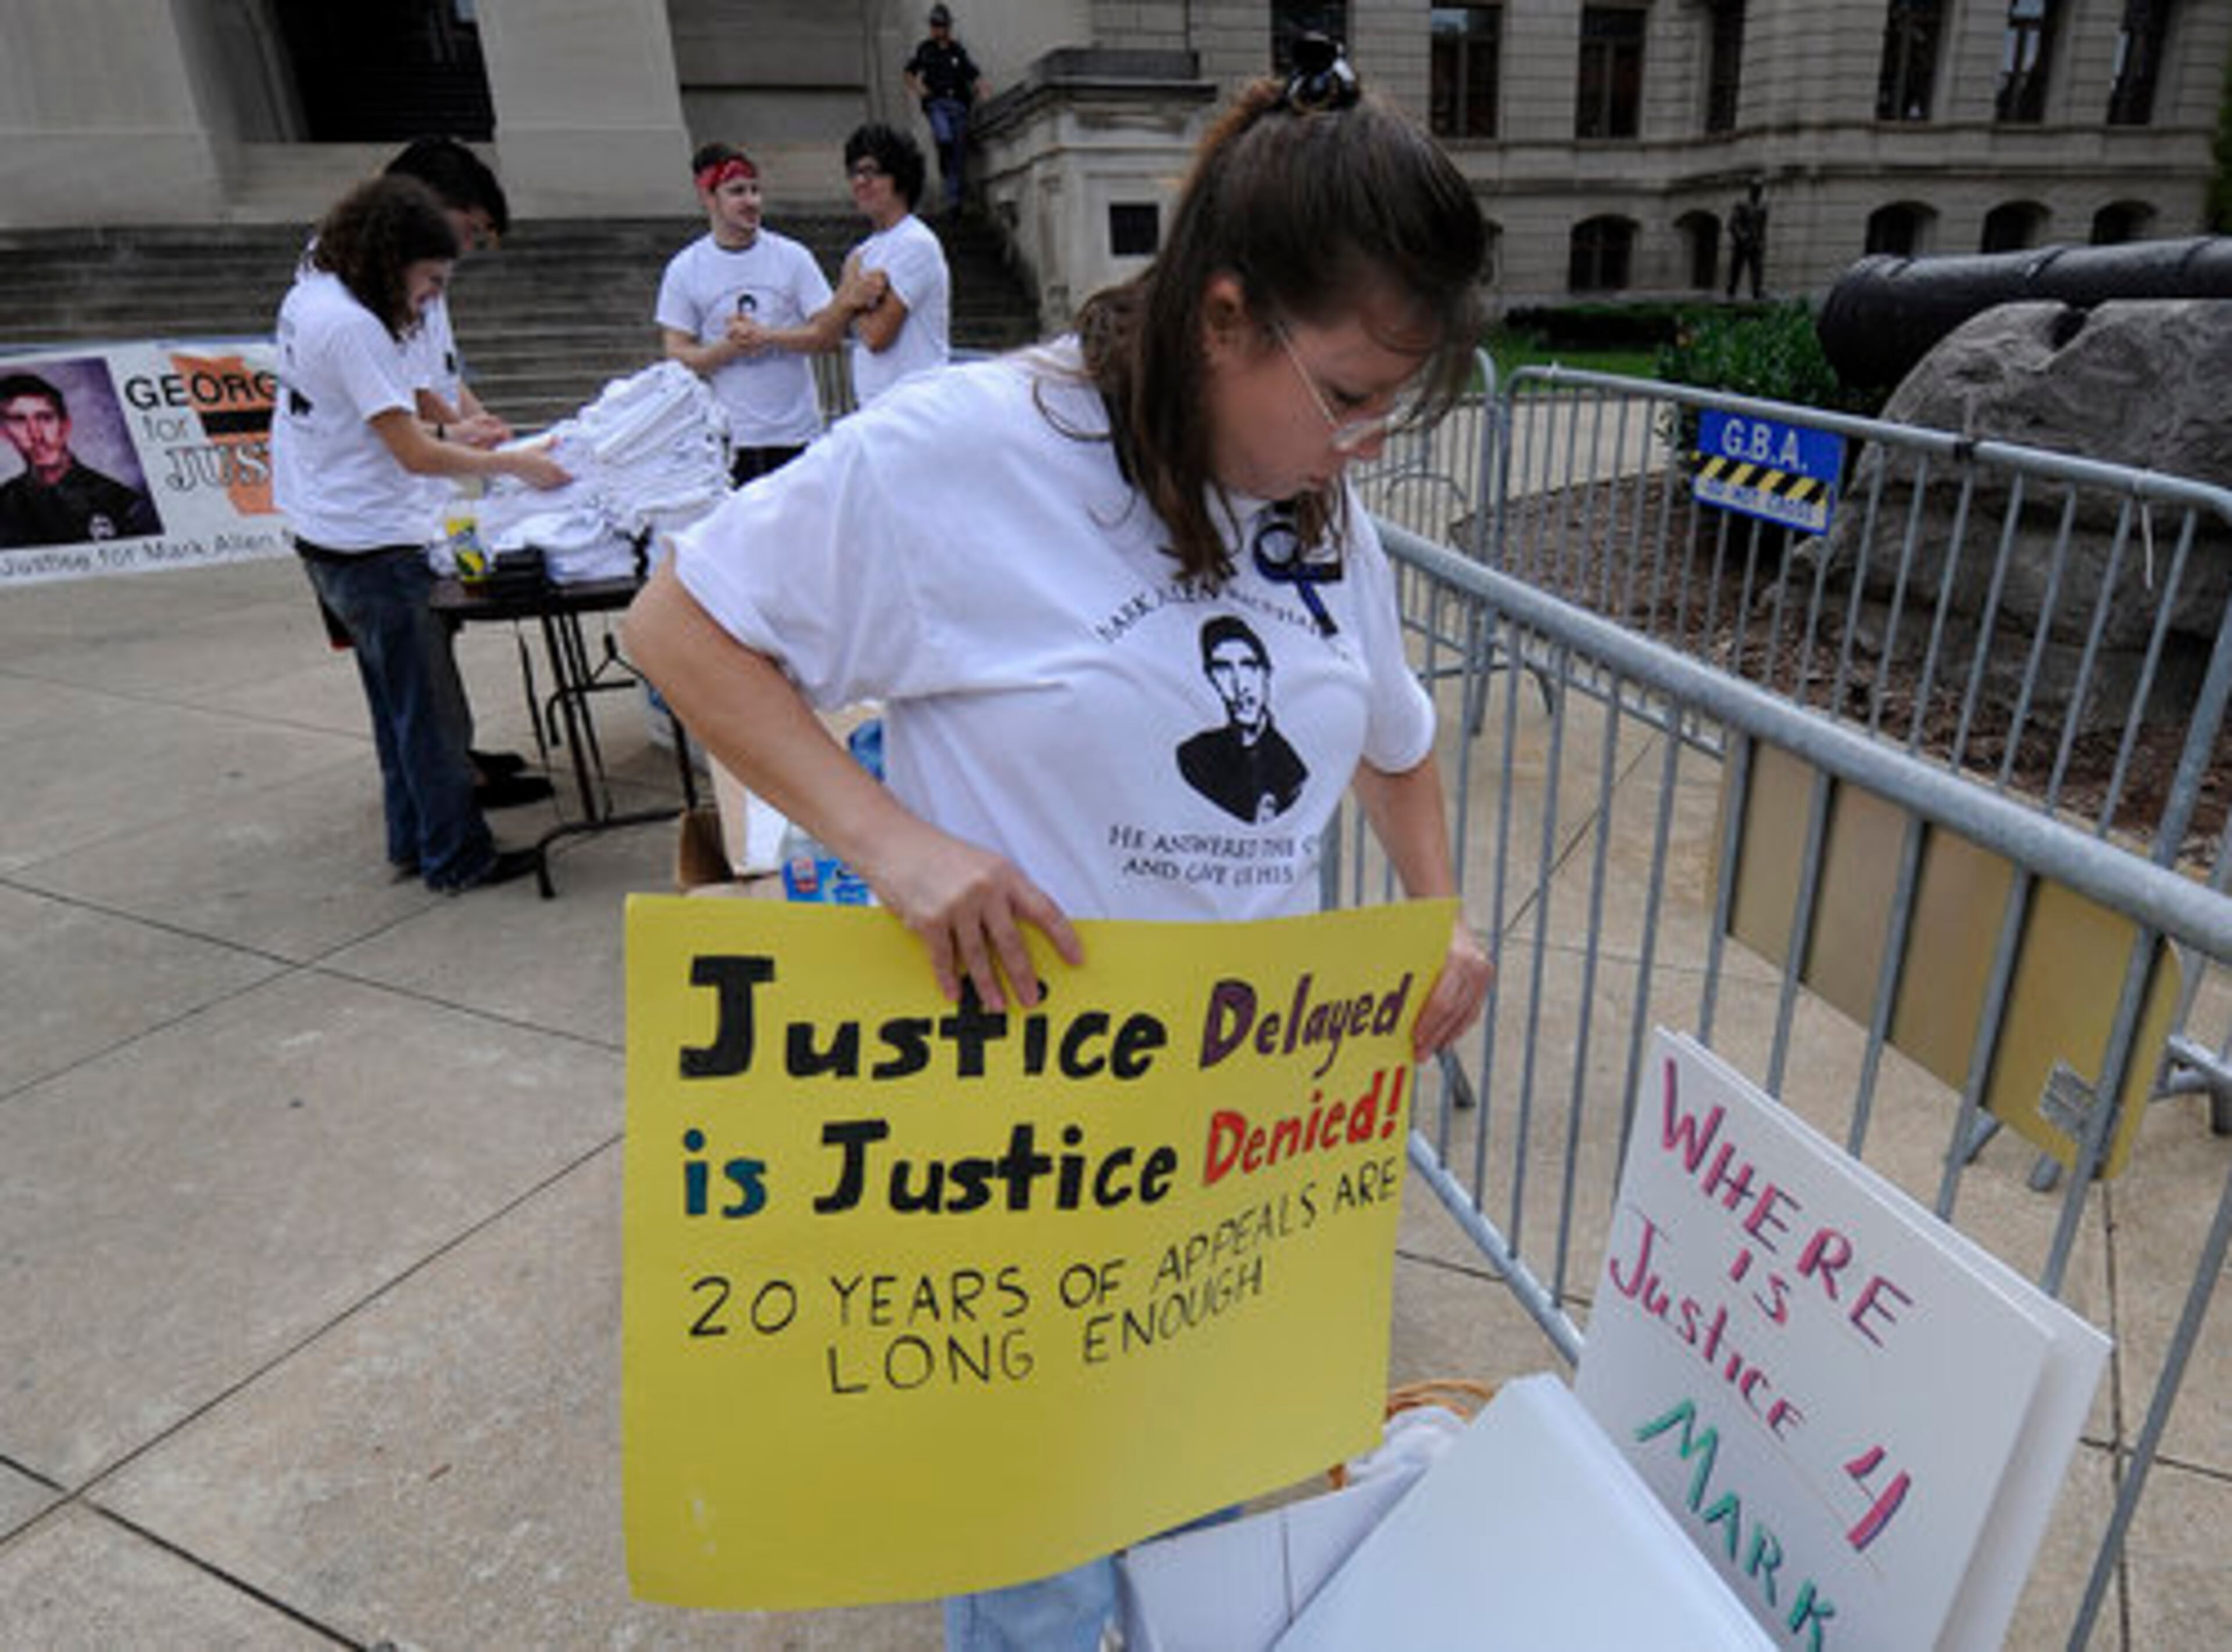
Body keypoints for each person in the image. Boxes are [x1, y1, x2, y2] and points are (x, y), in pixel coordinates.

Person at [623, 35, 1491, 1649]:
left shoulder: (1316, 508)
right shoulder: (959, 455)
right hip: (1026, 1152)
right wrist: (891, 840)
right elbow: (680, 626)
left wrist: (1437, 915)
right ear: (1224, 315)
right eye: (1355, 397)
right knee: (1034, 1585)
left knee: (1207, 1539)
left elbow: (1396, 738)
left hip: (1238, 1148)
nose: (1370, 447)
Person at [272, 174, 572, 893]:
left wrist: (454, 425)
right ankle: (456, 858)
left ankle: (414, 839)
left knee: (396, 707)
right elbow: (414, 452)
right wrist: (512, 464)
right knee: (430, 715)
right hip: (374, 544)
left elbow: (390, 409)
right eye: (431, 280)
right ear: (392, 258)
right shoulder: (351, 323)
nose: (433, 296)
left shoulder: (317, 289)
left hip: (333, 533)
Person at [657, 143, 848, 486]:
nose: (751, 201)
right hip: (731, 439)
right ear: (709, 197)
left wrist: (768, 336)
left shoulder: (793, 257)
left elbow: (829, 334)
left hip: (797, 435)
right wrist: (726, 349)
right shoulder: (686, 269)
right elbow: (676, 354)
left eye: (755, 190)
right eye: (737, 192)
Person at [839, 123, 951, 406]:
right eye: (855, 173)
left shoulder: (916, 243)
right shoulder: (863, 252)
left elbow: (877, 336)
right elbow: (835, 324)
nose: (860, 182)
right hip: (876, 407)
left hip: (913, 408)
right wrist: (856, 294)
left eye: (871, 172)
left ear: (900, 177)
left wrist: (851, 292)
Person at [0, 371, 160, 547]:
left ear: (65, 426)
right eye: (19, 420)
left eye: (45, 418)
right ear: (4, 433)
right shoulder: (4, 504)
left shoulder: (123, 503)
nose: (36, 434)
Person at [1178, 612, 1310, 822]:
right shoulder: (1193, 756)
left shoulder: (1294, 770)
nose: (1240, 685)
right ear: (1212, 679)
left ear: (1266, 672)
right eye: (1224, 669)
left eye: (1249, 666)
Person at [904, 3, 988, 215]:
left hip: (959, 106)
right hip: (937, 103)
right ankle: (944, 164)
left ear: (948, 27)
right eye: (935, 25)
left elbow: (973, 73)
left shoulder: (957, 51)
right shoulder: (926, 49)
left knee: (958, 156)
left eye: (941, 25)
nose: (938, 29)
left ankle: (954, 201)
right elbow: (909, 72)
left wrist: (983, 90)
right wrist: (920, 89)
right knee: (945, 139)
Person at [1727, 177, 1767, 300]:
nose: (1758, 191)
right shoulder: (1742, 205)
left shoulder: (1763, 208)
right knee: (1737, 268)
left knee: (1757, 268)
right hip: (1742, 243)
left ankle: (1757, 291)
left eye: (1760, 189)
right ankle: (1732, 289)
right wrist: (1741, 236)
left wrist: (1762, 242)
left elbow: (1762, 227)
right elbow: (1733, 223)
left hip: (1755, 243)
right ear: (1751, 190)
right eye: (1755, 189)